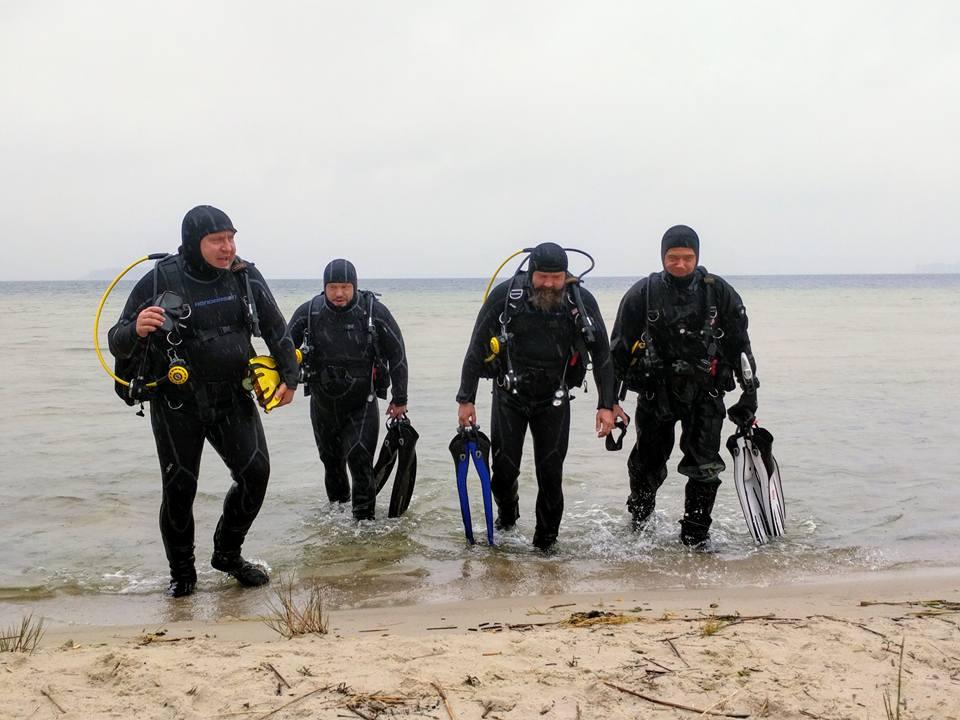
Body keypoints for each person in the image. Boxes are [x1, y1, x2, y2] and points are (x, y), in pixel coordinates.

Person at [108, 205, 299, 597]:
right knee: (179, 490)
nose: (227, 247)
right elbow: (116, 339)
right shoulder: (160, 279)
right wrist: (136, 329)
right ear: (195, 243)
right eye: (217, 240)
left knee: (256, 474)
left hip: (232, 397)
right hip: (177, 402)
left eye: (231, 238)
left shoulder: (244, 276)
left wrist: (291, 377)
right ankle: (182, 575)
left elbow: (276, 328)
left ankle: (227, 553)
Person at [456, 243, 616, 551]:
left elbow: (602, 355)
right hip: (509, 397)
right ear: (531, 273)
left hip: (554, 400)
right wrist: (466, 399)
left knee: (551, 475)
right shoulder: (506, 297)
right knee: (503, 472)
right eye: (543, 277)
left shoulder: (580, 301)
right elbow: (476, 346)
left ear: (566, 275)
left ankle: (546, 545)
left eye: (556, 278)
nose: (550, 284)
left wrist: (605, 405)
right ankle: (507, 517)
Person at [609, 225, 758, 546]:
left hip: (705, 395)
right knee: (646, 465)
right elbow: (618, 350)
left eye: (687, 258)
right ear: (662, 256)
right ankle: (639, 528)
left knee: (705, 467)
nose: (680, 264)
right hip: (655, 395)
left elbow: (740, 346)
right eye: (673, 257)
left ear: (697, 257)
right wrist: (609, 401)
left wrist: (750, 395)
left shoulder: (718, 292)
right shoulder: (643, 293)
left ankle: (696, 536)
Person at [287, 259, 409, 520]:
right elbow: (284, 351)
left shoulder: (373, 312)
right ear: (324, 287)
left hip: (361, 403)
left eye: (345, 287)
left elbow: (397, 353)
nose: (339, 293)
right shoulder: (309, 313)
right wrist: (283, 384)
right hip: (322, 403)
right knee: (331, 464)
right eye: (333, 287)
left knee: (360, 459)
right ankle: (337, 521)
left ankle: (364, 524)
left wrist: (400, 399)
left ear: (354, 286)